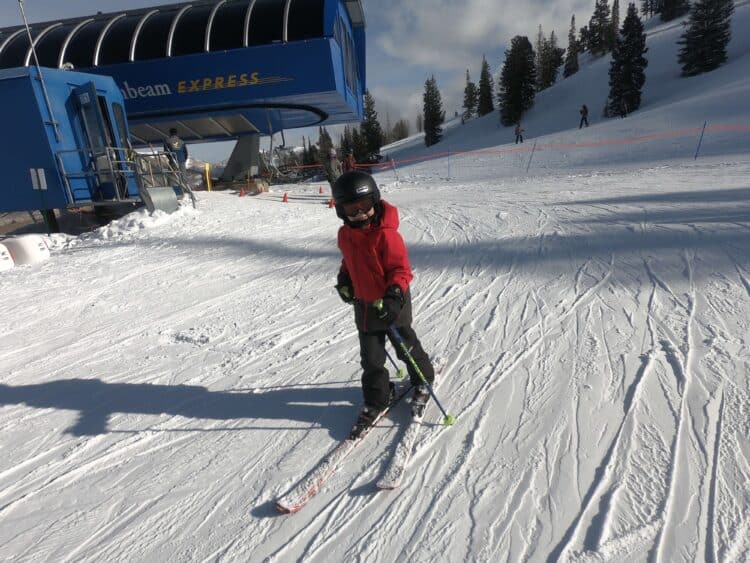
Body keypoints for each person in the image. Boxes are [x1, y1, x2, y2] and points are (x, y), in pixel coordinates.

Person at [332, 171, 435, 439]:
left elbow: (401, 270)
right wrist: (345, 280)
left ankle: (422, 378)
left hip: (392, 305)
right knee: (371, 359)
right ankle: (378, 397)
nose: (360, 215)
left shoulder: (387, 236)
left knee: (405, 348)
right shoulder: (345, 235)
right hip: (365, 307)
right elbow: (348, 261)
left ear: (375, 203)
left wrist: (394, 296)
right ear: (341, 212)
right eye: (351, 210)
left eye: (364, 207)